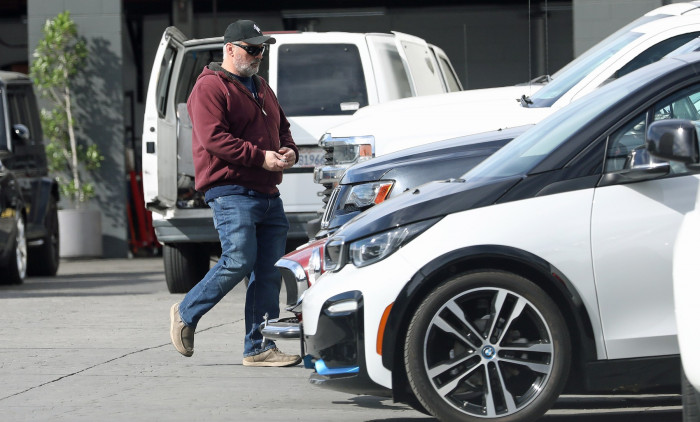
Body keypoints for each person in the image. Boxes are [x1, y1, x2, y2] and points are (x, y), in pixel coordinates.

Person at [169, 19, 301, 367]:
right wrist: (261, 157)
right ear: (229, 49)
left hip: (267, 193)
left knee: (268, 271)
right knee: (238, 259)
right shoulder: (209, 87)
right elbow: (214, 138)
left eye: (262, 49)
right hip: (231, 191)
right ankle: (185, 311)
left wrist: (289, 151)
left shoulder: (261, 87)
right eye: (252, 48)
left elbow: (283, 129)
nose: (258, 55)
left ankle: (260, 347)